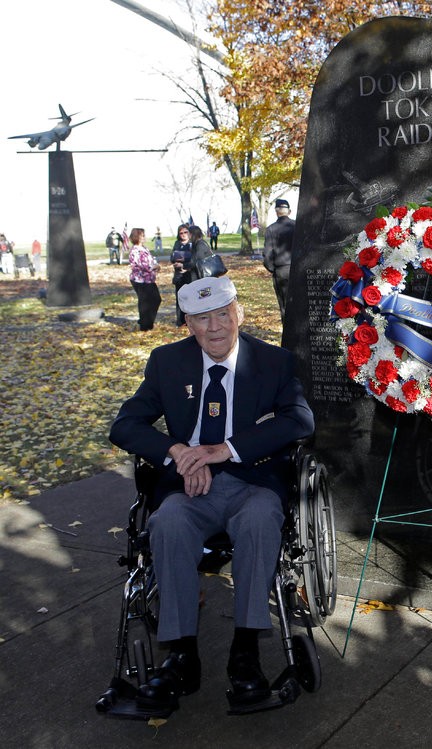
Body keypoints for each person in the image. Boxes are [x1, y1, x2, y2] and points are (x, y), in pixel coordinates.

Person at [108, 276, 315, 713]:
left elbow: (299, 419)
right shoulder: (167, 362)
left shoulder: (273, 361)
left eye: (224, 314)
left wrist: (225, 451)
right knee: (167, 523)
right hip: (190, 486)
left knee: (261, 520)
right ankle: (182, 655)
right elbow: (125, 425)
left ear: (238, 313)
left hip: (253, 479)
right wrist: (178, 452)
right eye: (203, 318)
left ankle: (245, 653)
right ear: (188, 324)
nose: (216, 327)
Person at [262, 198, 296, 321]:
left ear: (276, 211)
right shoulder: (298, 226)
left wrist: (273, 269)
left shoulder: (271, 229)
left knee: (285, 306)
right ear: (289, 211)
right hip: (298, 270)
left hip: (281, 270)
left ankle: (288, 336)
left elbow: (267, 255)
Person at [127, 227, 161, 331]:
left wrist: (155, 265)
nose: (144, 237)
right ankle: (144, 325)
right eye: (143, 235)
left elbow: (150, 260)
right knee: (145, 302)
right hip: (140, 280)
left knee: (156, 299)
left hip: (149, 279)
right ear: (137, 237)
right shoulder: (135, 250)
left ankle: (146, 322)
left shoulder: (144, 248)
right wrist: (155, 267)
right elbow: (143, 265)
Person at [171, 224, 193, 327]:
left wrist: (181, 258)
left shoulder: (192, 244)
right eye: (181, 233)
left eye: (185, 232)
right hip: (179, 275)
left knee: (191, 298)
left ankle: (191, 319)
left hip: (190, 275)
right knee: (180, 298)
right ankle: (180, 321)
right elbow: (173, 257)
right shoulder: (177, 243)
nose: (183, 235)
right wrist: (184, 257)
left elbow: (193, 258)